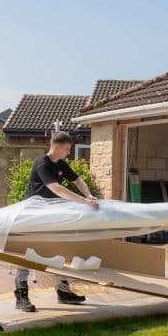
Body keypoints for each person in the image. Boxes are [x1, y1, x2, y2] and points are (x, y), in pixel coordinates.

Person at [14, 131, 99, 312]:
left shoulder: (61, 164)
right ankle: (21, 294)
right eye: (67, 149)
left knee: (59, 250)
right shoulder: (41, 163)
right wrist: (83, 201)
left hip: (50, 215)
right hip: (32, 214)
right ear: (56, 147)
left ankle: (63, 291)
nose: (68, 153)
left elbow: (78, 180)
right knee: (27, 252)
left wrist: (89, 195)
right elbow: (56, 188)